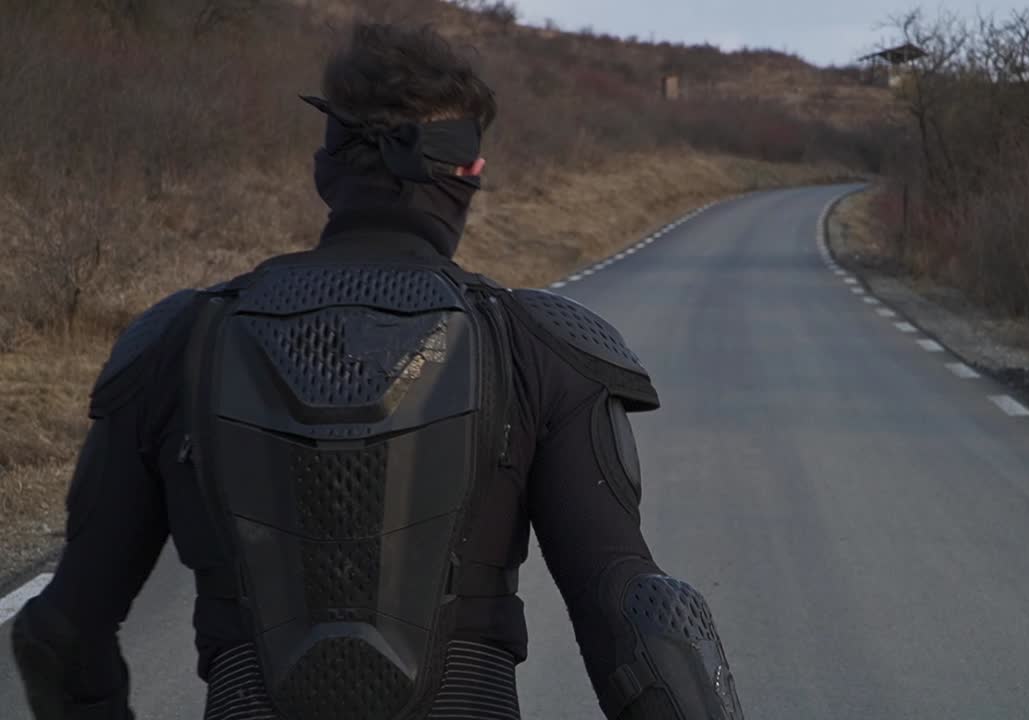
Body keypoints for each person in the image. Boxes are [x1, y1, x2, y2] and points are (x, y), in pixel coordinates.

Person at [10, 21, 744, 720]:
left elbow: (62, 631)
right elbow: (640, 617)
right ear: (465, 176)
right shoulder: (540, 348)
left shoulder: (177, 341)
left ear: (326, 167)